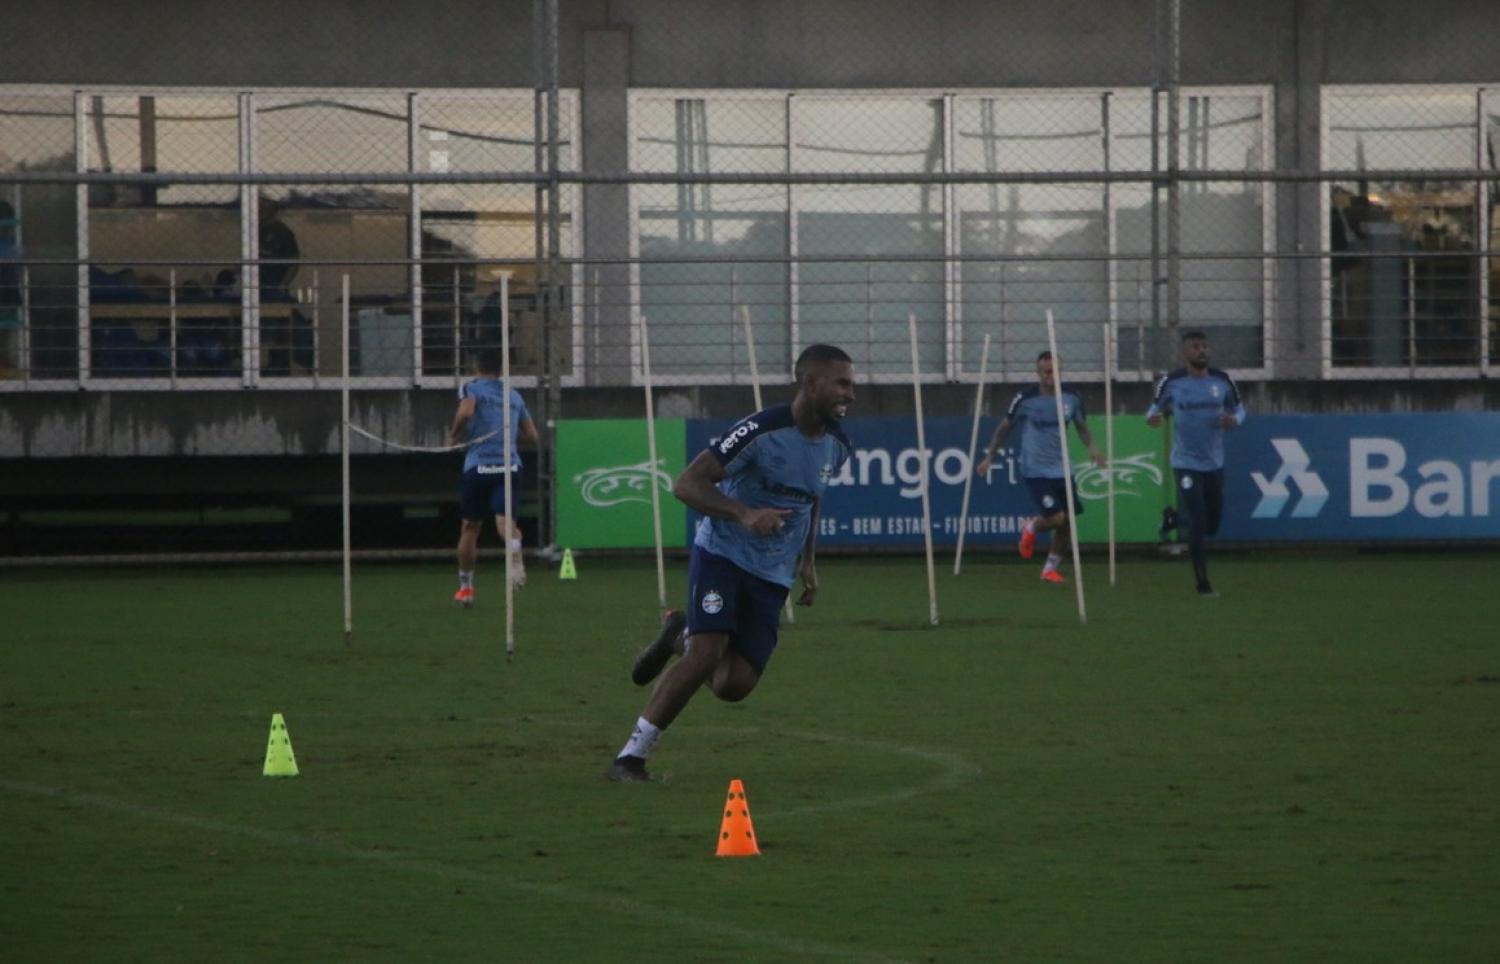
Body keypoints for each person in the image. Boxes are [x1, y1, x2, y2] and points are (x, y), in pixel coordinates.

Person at [605, 344, 855, 782]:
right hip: (722, 553)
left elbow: (813, 499)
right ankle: (630, 758)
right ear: (810, 383)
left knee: (733, 685)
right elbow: (687, 484)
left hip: (773, 573)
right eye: (842, 383)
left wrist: (809, 560)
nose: (850, 394)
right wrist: (744, 514)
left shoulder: (838, 444)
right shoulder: (759, 431)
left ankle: (675, 636)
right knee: (707, 653)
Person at [975, 350, 1104, 584]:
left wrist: (1092, 447)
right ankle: (1031, 526)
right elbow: (1005, 427)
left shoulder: (1071, 397)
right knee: (1056, 518)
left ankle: (1049, 569)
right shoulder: (1025, 399)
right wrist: (990, 456)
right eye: (1045, 371)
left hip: (1063, 468)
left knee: (1067, 522)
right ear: (1038, 372)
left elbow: (1081, 427)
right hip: (1035, 469)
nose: (1050, 376)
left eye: (1054, 371)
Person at [1146, 331, 1246, 597]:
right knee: (1199, 522)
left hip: (1214, 463)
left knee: (1212, 524)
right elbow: (1154, 408)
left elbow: (1240, 409)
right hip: (1185, 463)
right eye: (1195, 347)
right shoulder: (1172, 382)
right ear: (1184, 353)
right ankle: (1203, 584)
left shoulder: (1222, 381)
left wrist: (1235, 420)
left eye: (1204, 347)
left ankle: (1173, 519)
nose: (1201, 351)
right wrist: (1152, 418)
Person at [449, 347, 538, 606]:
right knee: (505, 523)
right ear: (501, 371)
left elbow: (465, 412)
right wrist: (506, 434)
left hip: (479, 466)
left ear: (477, 369)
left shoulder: (472, 388)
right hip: (509, 466)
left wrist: (454, 434)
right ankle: (515, 555)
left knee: (470, 526)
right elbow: (532, 435)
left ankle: (465, 587)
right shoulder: (514, 396)